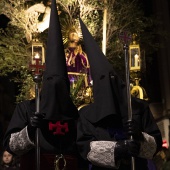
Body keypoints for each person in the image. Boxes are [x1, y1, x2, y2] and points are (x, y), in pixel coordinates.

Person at [3, 0, 85, 169]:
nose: (55, 87)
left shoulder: (76, 115)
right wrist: (30, 130)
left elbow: (86, 148)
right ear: (43, 85)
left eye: (60, 84)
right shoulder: (27, 109)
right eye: (50, 82)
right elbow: (11, 146)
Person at [76, 18, 163, 170]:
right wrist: (118, 148)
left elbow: (155, 144)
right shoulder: (86, 114)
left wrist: (139, 136)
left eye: (111, 79)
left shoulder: (137, 107)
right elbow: (84, 148)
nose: (108, 85)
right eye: (102, 80)